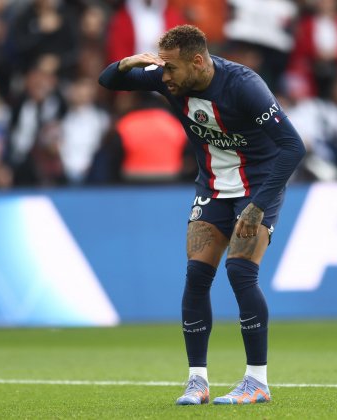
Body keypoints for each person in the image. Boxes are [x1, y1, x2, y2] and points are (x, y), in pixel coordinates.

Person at [98, 25, 305, 405]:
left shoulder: (244, 86)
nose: (164, 77)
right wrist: (131, 61)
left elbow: (292, 147)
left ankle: (257, 382)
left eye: (171, 69)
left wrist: (258, 206)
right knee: (197, 275)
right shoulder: (169, 76)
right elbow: (108, 80)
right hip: (212, 187)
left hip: (256, 187)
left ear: (197, 61)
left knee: (241, 271)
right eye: (161, 68)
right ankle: (197, 381)